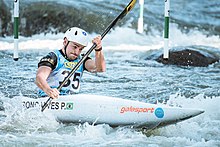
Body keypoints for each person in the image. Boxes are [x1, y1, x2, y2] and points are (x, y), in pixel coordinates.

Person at [35, 27, 106, 98]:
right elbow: (39, 78)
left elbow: (100, 68)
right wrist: (48, 90)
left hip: (71, 100)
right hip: (48, 98)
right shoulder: (53, 57)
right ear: (65, 42)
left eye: (81, 49)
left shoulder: (82, 60)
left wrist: (98, 49)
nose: (77, 52)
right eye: (75, 47)